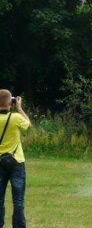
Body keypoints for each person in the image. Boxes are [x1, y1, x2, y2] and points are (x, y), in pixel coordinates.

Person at [0, 90, 30, 228]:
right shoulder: (16, 118)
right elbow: (28, 125)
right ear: (10, 102)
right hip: (16, 161)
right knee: (18, 200)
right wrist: (19, 107)